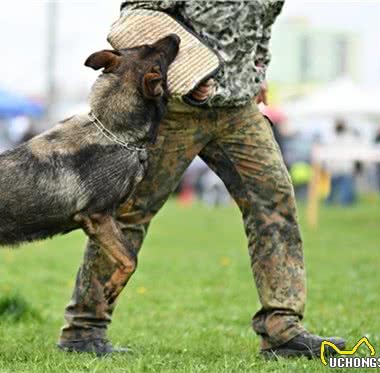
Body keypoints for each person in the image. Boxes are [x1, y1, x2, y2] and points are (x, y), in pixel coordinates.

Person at [58, 0, 345, 358]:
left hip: (238, 112)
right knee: (128, 213)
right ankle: (84, 330)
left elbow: (260, 31)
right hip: (173, 110)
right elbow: (135, 19)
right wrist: (181, 78)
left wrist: (257, 75)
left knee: (275, 204)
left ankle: (282, 330)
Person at [325, 119, 358, 206]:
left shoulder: (349, 137)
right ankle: (332, 202)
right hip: (336, 167)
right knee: (334, 189)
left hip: (345, 167)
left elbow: (353, 153)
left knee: (344, 189)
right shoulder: (332, 138)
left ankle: (343, 203)